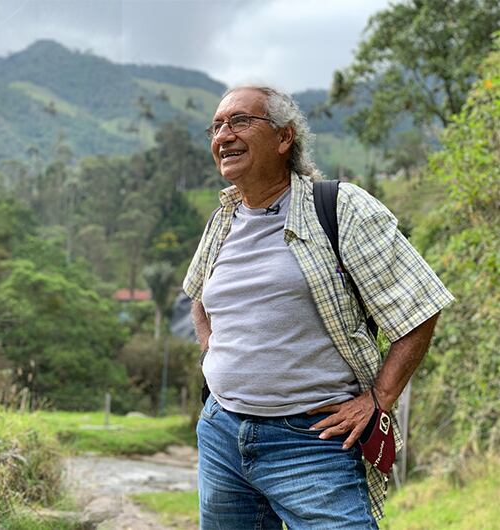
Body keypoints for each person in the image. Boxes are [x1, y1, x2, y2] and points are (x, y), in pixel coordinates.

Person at [182, 85, 453, 529]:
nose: (223, 136)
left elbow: (421, 304)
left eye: (239, 121)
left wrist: (379, 399)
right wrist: (215, 357)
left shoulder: (340, 207)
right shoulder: (223, 219)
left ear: (284, 138)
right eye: (216, 126)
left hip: (312, 440)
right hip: (222, 435)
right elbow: (200, 297)